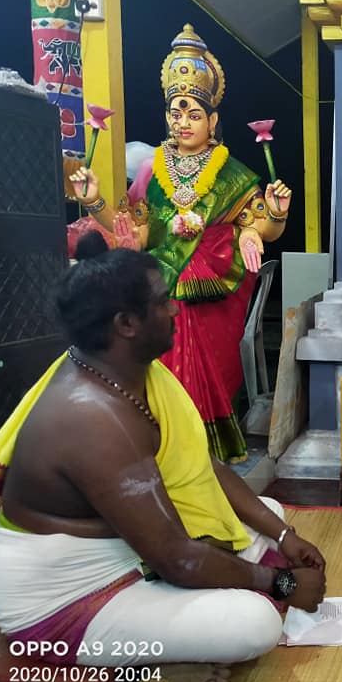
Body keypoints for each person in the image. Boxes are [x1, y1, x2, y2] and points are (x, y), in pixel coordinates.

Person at [0, 249, 325, 682]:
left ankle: (172, 625)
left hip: (130, 555)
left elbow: (200, 466)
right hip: (63, 603)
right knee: (255, 623)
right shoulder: (91, 418)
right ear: (126, 324)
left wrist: (285, 536)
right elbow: (176, 558)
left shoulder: (131, 374)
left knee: (269, 512)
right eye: (163, 302)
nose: (175, 309)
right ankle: (147, 667)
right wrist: (281, 584)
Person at [67, 24, 293, 463]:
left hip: (212, 295)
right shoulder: (152, 169)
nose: (183, 122)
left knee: (212, 367)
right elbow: (133, 230)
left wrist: (273, 216)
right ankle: (160, 446)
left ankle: (203, 451)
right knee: (154, 365)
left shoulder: (231, 173)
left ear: (212, 121)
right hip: (161, 288)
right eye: (176, 113)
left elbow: (262, 225)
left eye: (193, 114)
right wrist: (93, 201)